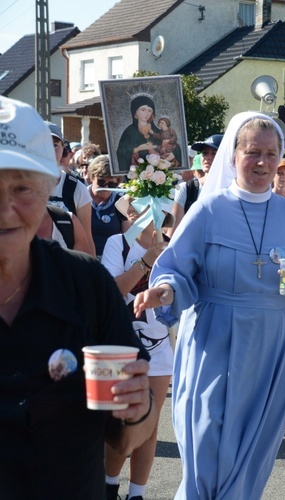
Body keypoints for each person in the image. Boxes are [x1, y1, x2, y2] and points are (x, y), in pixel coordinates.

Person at [133, 111, 285, 499]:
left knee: (254, 448)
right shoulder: (208, 210)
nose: (262, 162)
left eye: (271, 153)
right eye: (253, 152)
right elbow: (175, 270)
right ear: (234, 155)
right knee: (205, 438)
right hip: (213, 339)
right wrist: (165, 292)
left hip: (271, 344)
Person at [0, 95, 155, 498]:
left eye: (21, 187)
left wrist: (136, 411)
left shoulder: (86, 286)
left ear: (50, 187)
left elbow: (122, 439)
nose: (4, 209)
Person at [101, 196, 171, 500]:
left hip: (159, 345)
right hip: (121, 345)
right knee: (120, 423)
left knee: (150, 426)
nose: (147, 213)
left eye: (156, 206)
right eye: (139, 207)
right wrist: (146, 262)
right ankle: (109, 484)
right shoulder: (118, 244)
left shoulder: (174, 244)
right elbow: (112, 291)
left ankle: (137, 494)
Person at [46, 122, 97, 256]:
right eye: (43, 144)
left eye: (54, 145)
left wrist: (92, 273)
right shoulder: (18, 185)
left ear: (63, 149)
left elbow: (86, 239)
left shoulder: (76, 188)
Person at [168, 134, 222, 237]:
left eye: (214, 153)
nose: (207, 157)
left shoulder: (234, 190)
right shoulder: (187, 189)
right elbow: (174, 234)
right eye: (204, 153)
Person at [116, 93, 181, 173]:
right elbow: (122, 153)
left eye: (149, 110)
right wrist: (138, 148)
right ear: (135, 112)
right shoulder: (129, 132)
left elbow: (175, 148)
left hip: (159, 176)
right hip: (137, 176)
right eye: (143, 110)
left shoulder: (158, 132)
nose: (146, 114)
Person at [88, 155, 127, 258]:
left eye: (112, 184)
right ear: (92, 177)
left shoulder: (120, 202)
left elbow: (127, 239)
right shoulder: (80, 197)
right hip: (84, 259)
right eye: (101, 182)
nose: (106, 187)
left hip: (111, 260)